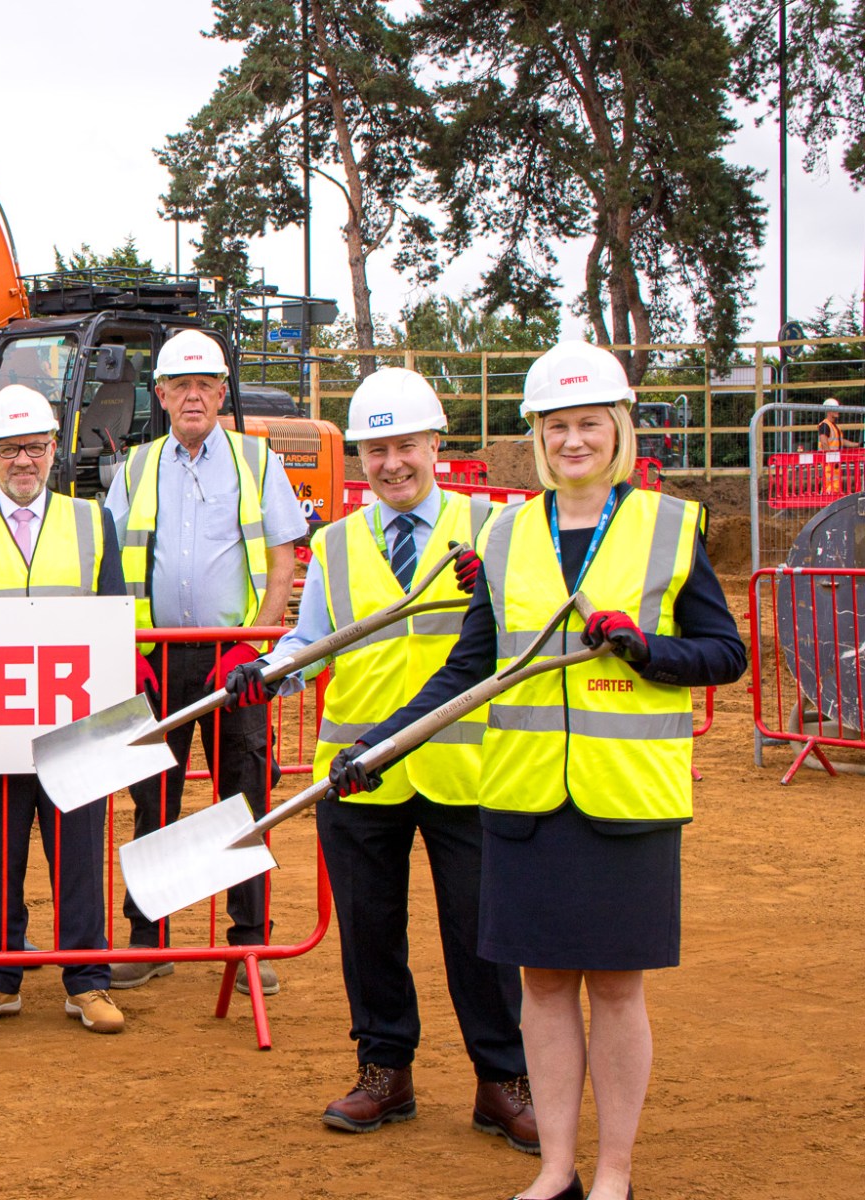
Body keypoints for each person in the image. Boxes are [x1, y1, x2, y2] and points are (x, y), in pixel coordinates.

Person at [328, 341, 745, 1200]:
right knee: (544, 990)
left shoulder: (668, 527)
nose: (574, 441)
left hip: (623, 803)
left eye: (590, 424)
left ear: (619, 430)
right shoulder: (510, 531)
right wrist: (380, 748)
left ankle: (615, 1174)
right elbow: (465, 671)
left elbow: (725, 652)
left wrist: (650, 650)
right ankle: (557, 1168)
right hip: (520, 802)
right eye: (558, 426)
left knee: (618, 993)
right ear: (539, 436)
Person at [220, 368, 535, 1150]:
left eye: (405, 446)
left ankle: (503, 1079)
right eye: (375, 449)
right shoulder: (335, 541)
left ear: (436, 443)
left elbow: (528, 630)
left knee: (481, 935)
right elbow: (312, 635)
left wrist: (494, 582)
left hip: (469, 767)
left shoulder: (495, 529)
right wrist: (269, 669)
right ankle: (384, 1071)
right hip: (356, 773)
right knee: (368, 931)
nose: (392, 463)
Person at [102, 327, 306, 993]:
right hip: (158, 659)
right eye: (180, 386)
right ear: (160, 395)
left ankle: (249, 943)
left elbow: (282, 559)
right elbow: (112, 564)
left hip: (233, 660)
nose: (193, 396)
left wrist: (258, 641)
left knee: (243, 795)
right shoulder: (136, 467)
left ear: (223, 393)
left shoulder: (257, 461)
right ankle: (147, 938)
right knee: (151, 797)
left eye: (205, 385)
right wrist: (129, 648)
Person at [0, 386, 127, 1035]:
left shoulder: (93, 521)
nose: (23, 460)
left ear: (52, 450)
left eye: (35, 447)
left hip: (75, 728)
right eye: (10, 448)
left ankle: (87, 981)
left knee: (78, 859)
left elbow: (113, 625)